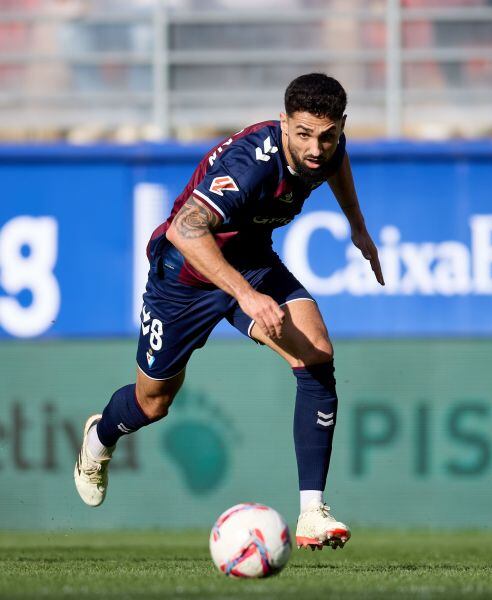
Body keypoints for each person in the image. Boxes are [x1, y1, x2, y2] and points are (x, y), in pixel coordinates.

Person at [74, 73, 384, 551]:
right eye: (303, 134)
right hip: (185, 274)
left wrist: (358, 227)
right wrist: (245, 295)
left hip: (250, 260)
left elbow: (336, 166)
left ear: (341, 126)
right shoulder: (252, 165)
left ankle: (311, 513)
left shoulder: (325, 148)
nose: (316, 148)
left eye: (327, 135)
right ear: (284, 123)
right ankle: (101, 436)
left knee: (316, 355)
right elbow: (184, 229)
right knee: (153, 402)